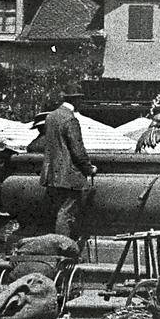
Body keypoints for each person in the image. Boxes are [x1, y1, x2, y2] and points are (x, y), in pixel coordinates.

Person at [39, 98, 95, 241]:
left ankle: (56, 245)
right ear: (76, 101)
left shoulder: (51, 117)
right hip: (68, 176)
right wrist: (88, 168)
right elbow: (77, 150)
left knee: (58, 211)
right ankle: (64, 248)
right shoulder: (70, 120)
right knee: (66, 213)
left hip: (51, 174)